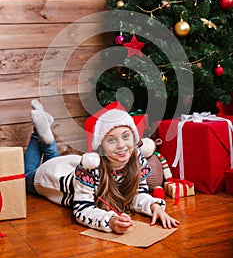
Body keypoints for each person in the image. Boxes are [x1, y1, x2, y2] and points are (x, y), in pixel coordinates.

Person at [24, 99, 180, 234]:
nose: (121, 146)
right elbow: (82, 209)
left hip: (70, 163)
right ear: (100, 146)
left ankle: (45, 134)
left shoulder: (136, 158)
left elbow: (137, 194)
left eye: (126, 136)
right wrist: (110, 221)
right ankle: (37, 134)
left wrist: (154, 206)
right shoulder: (90, 168)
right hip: (52, 177)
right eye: (111, 140)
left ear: (134, 136)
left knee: (53, 158)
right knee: (27, 176)